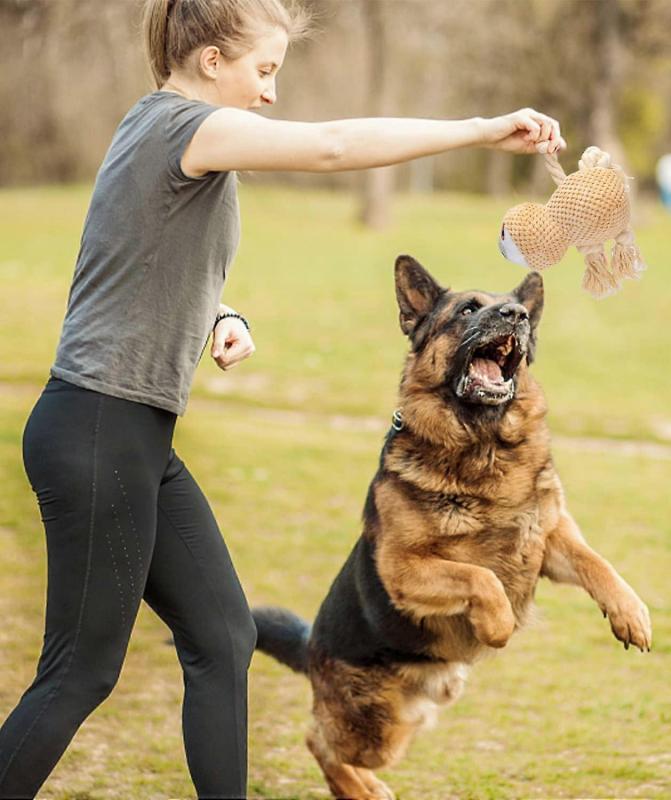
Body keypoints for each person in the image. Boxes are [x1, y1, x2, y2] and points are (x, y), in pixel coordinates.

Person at [0, 0, 566, 797]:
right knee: (79, 674)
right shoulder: (180, 126)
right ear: (209, 62)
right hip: (99, 429)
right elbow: (333, 145)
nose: (270, 93)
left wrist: (219, 314)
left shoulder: (163, 138)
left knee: (224, 638)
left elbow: (135, 260)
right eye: (263, 71)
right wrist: (480, 127)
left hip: (131, 436)